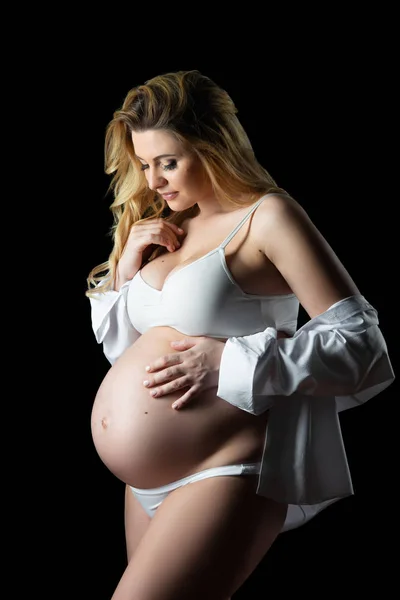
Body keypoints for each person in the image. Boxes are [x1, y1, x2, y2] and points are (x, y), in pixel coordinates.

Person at [86, 69, 394, 599]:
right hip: (144, 483)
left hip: (226, 467)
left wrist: (228, 360)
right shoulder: (167, 226)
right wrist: (127, 271)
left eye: (168, 162)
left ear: (214, 145)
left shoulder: (267, 217)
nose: (154, 180)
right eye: (143, 164)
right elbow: (126, 353)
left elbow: (363, 347)